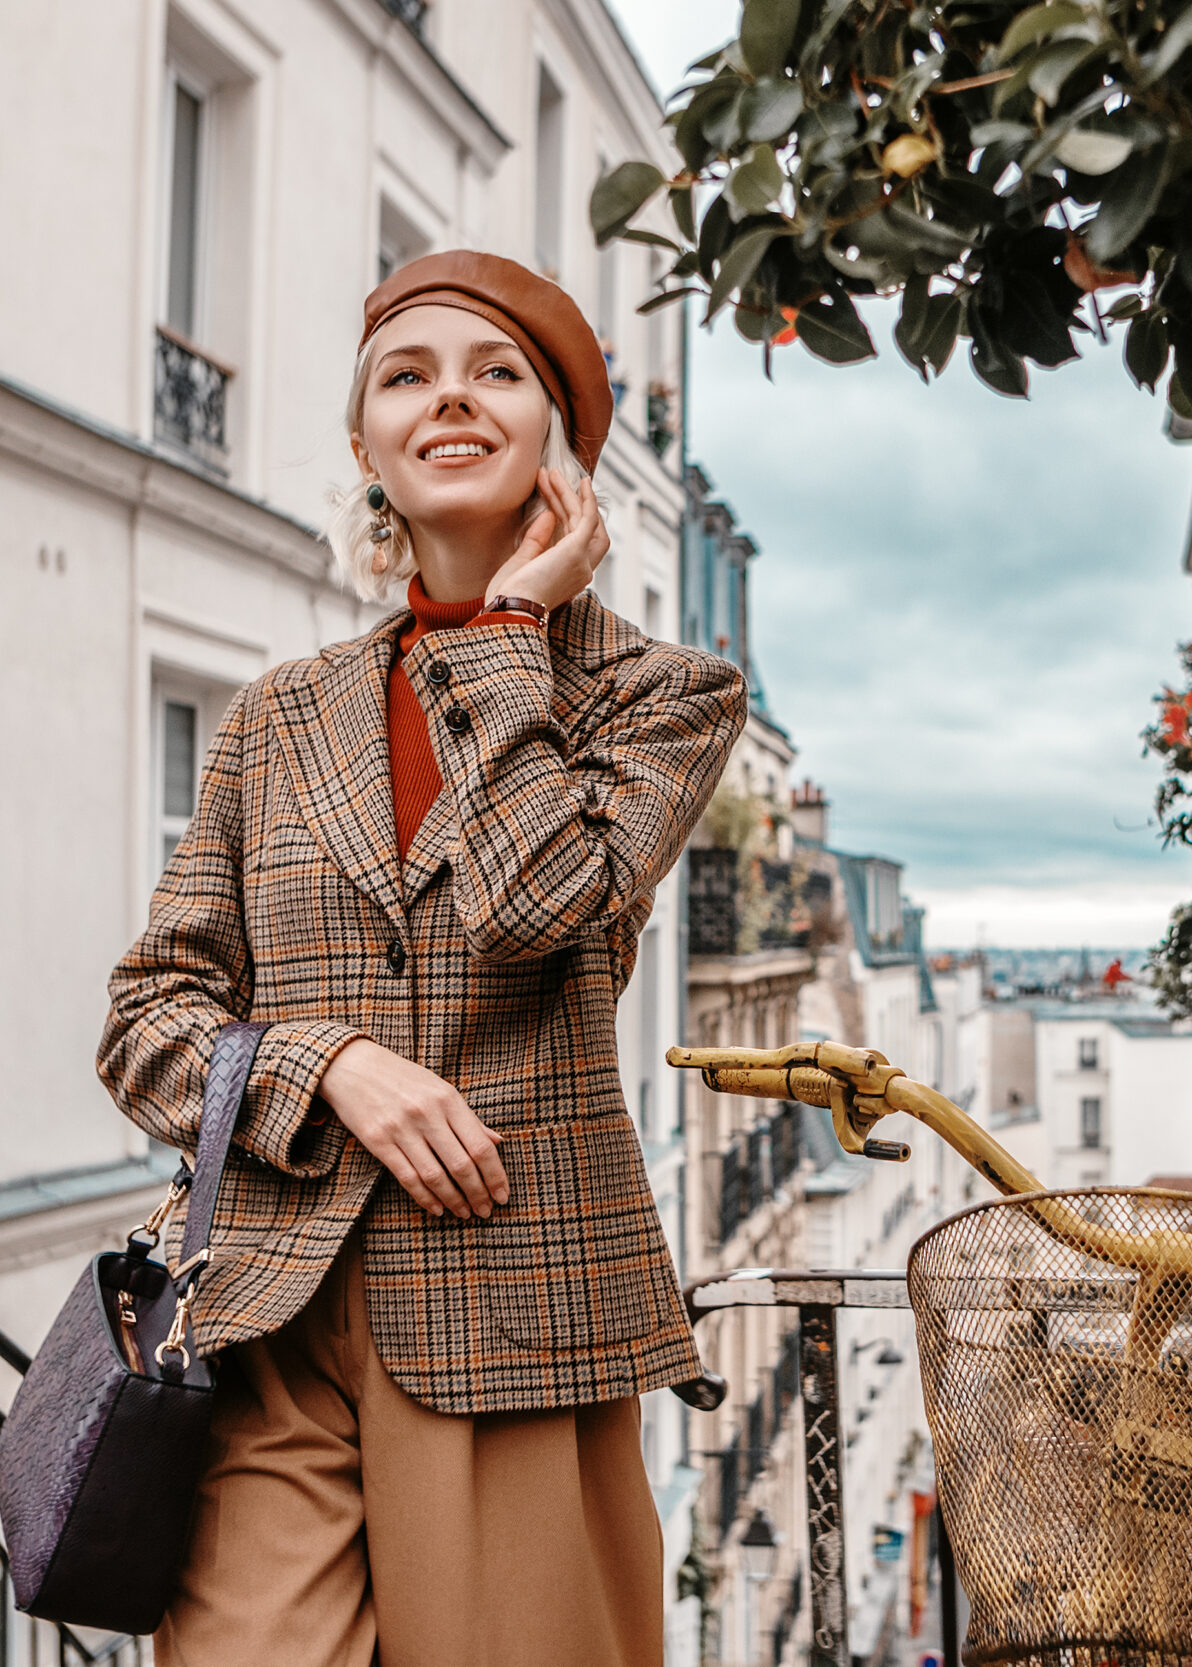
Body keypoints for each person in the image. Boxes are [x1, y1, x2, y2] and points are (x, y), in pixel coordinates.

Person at [98, 250, 746, 1667]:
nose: (449, 399)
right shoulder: (282, 715)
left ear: (561, 448)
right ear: (366, 442)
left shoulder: (663, 698)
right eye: (407, 376)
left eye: (494, 373)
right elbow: (149, 1016)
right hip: (271, 1310)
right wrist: (329, 1068)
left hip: (510, 1316)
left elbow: (536, 908)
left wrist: (508, 630)